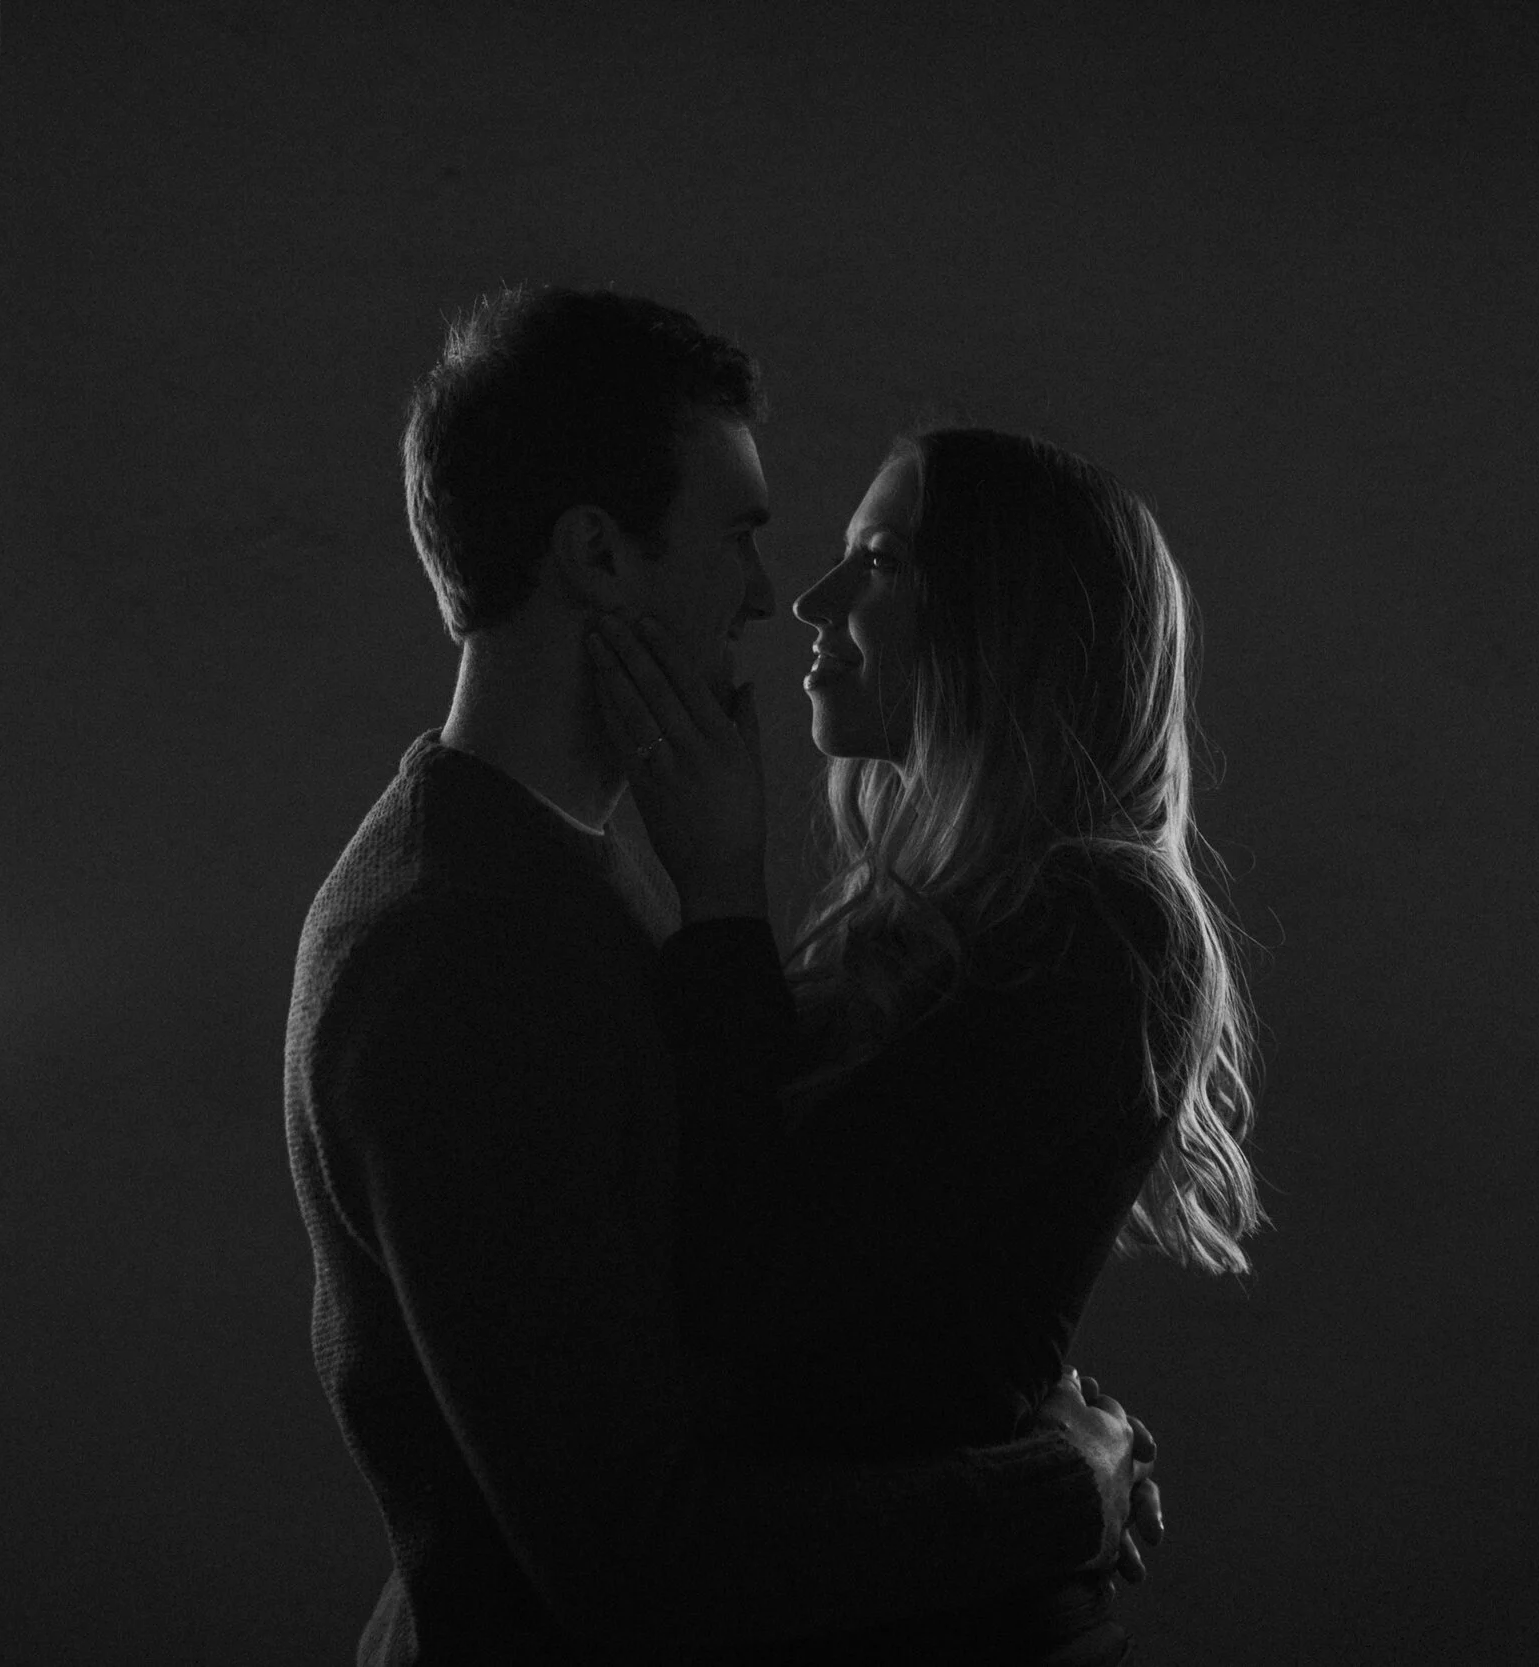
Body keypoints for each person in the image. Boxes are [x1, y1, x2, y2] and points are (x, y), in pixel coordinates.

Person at [283, 288, 1159, 1666]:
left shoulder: (571, 875)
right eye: (739, 533)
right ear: (598, 555)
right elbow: (643, 1557)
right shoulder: (455, 948)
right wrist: (1057, 1490)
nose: (768, 593)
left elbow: (766, 1297)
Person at [586, 426, 1263, 1666]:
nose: (813, 599)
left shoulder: (1101, 922)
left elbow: (753, 1279)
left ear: (1006, 625)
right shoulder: (941, 917)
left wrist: (721, 893)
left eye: (881, 560)